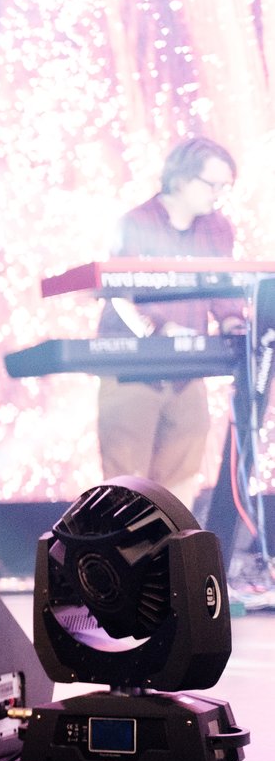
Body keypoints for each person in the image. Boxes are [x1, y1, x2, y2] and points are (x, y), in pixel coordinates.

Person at [96, 135, 245, 509]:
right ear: (181, 179)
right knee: (125, 482)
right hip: (131, 367)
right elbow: (120, 291)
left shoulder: (218, 228)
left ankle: (173, 557)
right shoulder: (135, 223)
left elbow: (221, 287)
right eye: (213, 185)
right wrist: (160, 330)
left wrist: (232, 323)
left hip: (187, 369)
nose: (219, 195)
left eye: (225, 186)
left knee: (182, 476)